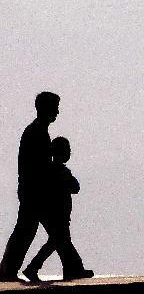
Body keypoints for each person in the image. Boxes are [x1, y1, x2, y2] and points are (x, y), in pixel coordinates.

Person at [0, 92, 88, 281]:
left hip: (35, 192)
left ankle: (71, 267)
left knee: (46, 232)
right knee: (44, 232)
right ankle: (11, 270)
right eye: (54, 107)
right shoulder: (36, 133)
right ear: (45, 108)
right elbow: (39, 167)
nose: (57, 111)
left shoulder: (38, 132)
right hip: (35, 193)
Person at [22, 137, 93, 283]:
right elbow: (75, 187)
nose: (69, 153)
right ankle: (34, 267)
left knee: (62, 242)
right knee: (58, 241)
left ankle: (72, 269)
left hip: (55, 214)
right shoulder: (59, 171)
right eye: (67, 150)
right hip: (57, 215)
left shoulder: (52, 170)